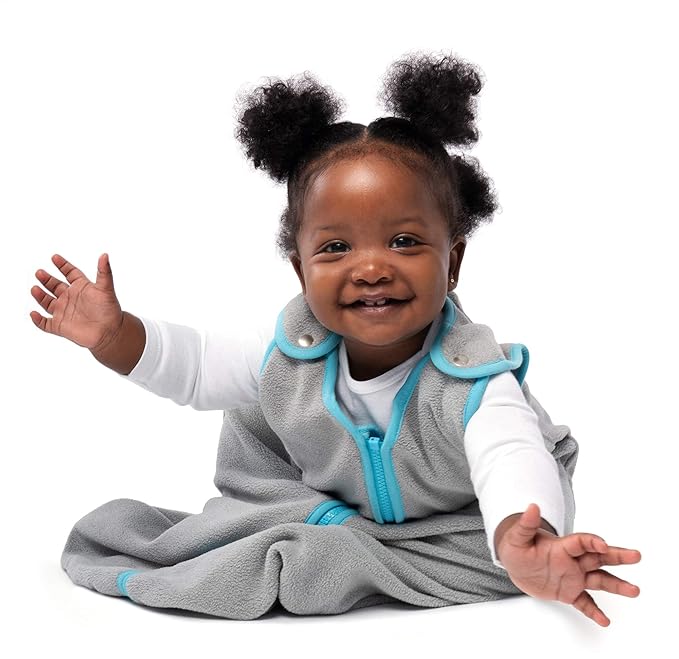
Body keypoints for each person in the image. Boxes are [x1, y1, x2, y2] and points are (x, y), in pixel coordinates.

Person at [30, 51, 641, 624]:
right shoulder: (291, 352)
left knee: (495, 550)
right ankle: (332, 533)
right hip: (325, 501)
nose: (370, 267)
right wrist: (115, 336)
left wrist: (521, 538)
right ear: (301, 270)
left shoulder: (475, 380)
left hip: (451, 522)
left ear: (453, 261)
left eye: (404, 241)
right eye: (336, 247)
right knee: (253, 519)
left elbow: (511, 457)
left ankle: (487, 554)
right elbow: (196, 369)